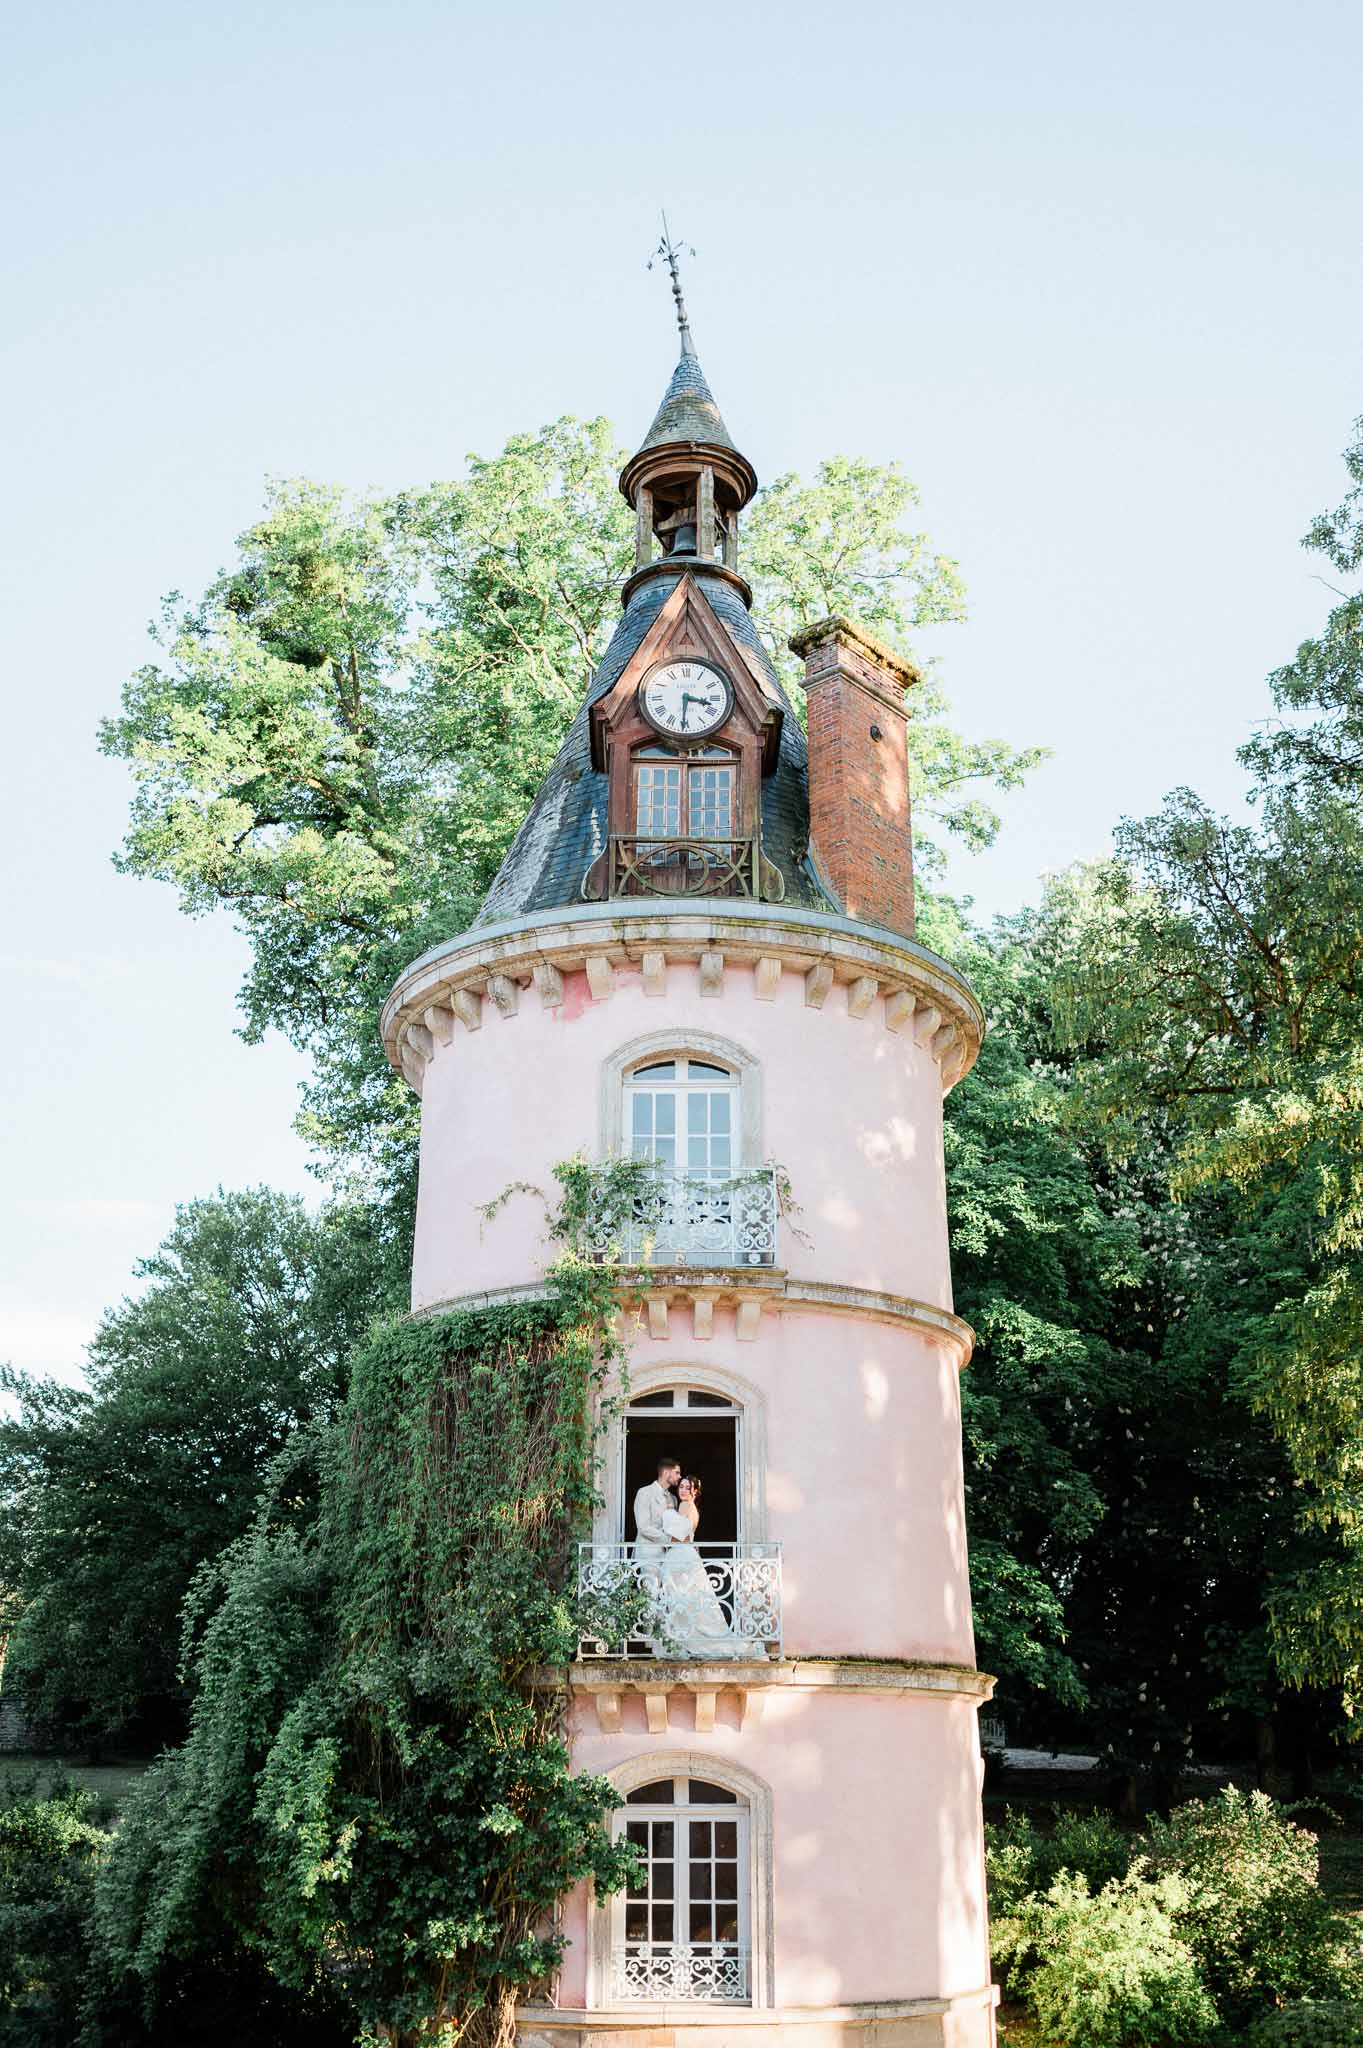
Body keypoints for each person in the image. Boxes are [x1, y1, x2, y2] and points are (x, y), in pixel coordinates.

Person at [657, 1475, 759, 1659]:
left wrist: (662, 1539)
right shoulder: (692, 1508)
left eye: (687, 1488)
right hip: (686, 1555)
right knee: (692, 1600)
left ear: (694, 1491)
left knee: (681, 1598)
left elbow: (678, 1535)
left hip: (680, 1555)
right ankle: (691, 1638)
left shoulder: (685, 1506)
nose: (683, 1490)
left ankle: (684, 1640)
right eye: (681, 1486)